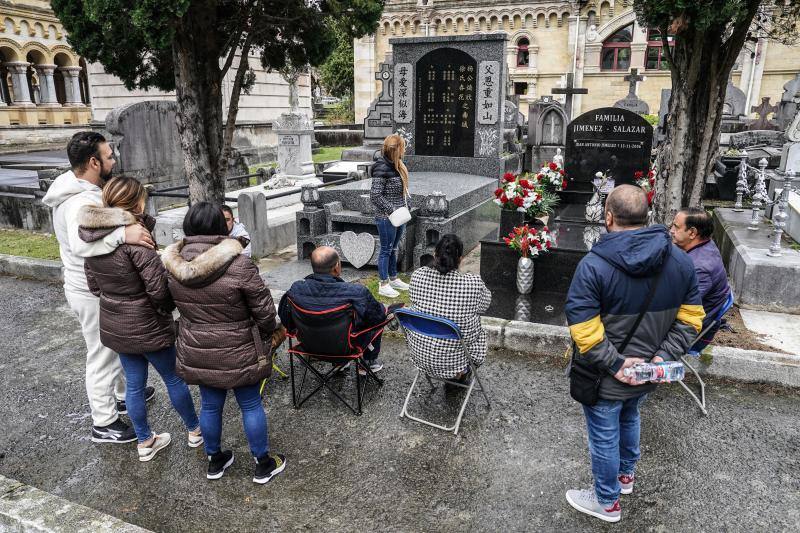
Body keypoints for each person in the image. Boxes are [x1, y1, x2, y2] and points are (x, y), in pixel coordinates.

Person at [564, 185, 704, 523]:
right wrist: (662, 356)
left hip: (603, 375)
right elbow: (692, 319)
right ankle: (625, 477)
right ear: (648, 216)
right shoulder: (681, 262)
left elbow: (583, 328)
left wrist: (615, 363)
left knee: (605, 432)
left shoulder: (593, 266)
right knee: (630, 415)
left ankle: (606, 501)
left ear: (608, 217)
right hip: (648, 372)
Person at [42, 131, 155, 444]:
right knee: (101, 354)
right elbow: (82, 245)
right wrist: (124, 236)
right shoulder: (81, 201)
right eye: (109, 157)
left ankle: (122, 395)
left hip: (91, 284)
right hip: (89, 289)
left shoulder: (80, 190)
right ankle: (103, 422)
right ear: (93, 162)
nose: (114, 161)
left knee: (114, 345)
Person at [78, 176, 201, 462]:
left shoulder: (93, 240)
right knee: (173, 378)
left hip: (116, 321)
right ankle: (195, 431)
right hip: (147, 321)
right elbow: (158, 289)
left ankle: (145, 440)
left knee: (133, 385)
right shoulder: (139, 238)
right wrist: (167, 308)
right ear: (138, 202)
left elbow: (94, 286)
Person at [162, 202, 286, 484]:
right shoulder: (240, 264)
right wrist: (269, 332)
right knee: (251, 403)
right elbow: (265, 312)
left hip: (198, 345)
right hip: (240, 345)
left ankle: (215, 460)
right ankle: (262, 463)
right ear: (222, 226)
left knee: (209, 405)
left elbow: (163, 301)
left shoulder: (174, 266)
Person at [278, 246, 387, 375]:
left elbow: (284, 317)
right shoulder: (356, 292)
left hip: (308, 346)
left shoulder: (296, 289)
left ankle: (340, 364)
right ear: (336, 267)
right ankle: (368, 363)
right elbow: (378, 317)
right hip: (347, 349)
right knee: (380, 314)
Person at [407, 235, 492, 383]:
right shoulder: (473, 284)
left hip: (420, 356)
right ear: (460, 259)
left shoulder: (417, 276)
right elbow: (485, 306)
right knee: (476, 321)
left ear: (434, 255)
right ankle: (460, 374)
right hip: (455, 364)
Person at [670, 207, 731, 350]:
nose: (671, 230)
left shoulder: (701, 268)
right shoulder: (705, 246)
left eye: (676, 227)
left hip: (690, 334)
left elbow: (674, 306)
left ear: (692, 233)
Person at [370, 134, 411, 298]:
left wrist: (407, 202)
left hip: (399, 215)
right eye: (403, 147)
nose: (404, 150)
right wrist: (392, 209)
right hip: (386, 217)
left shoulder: (397, 165)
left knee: (394, 248)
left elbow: (403, 189)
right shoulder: (381, 167)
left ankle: (393, 278)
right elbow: (375, 195)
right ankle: (383, 283)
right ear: (396, 149)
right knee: (385, 250)